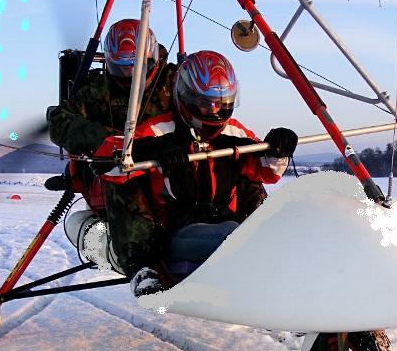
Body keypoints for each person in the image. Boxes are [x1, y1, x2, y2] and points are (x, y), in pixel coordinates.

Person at [100, 50, 298, 297]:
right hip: (173, 232)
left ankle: (284, 264)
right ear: (187, 98)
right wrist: (151, 149)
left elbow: (268, 173)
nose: (215, 111)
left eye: (223, 103)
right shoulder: (158, 130)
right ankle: (142, 267)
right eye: (207, 103)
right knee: (236, 238)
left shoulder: (234, 132)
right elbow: (110, 166)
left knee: (256, 220)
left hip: (226, 221)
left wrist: (278, 149)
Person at [47, 19, 176, 199]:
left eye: (136, 66)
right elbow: (58, 121)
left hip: (168, 169)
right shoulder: (100, 88)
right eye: (120, 67)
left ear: (150, 58)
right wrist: (105, 140)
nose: (129, 73)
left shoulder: (172, 82)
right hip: (117, 180)